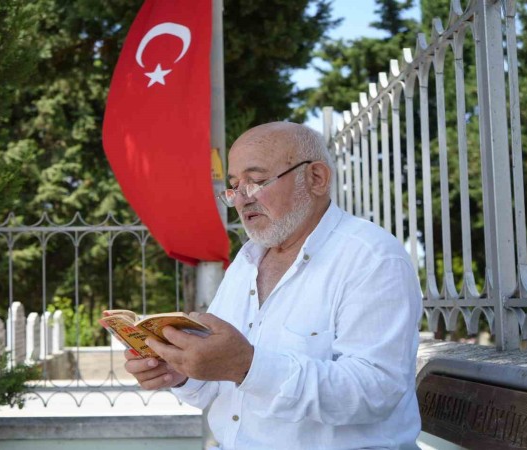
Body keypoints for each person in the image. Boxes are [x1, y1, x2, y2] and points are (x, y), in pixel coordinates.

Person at [124, 122, 423, 449]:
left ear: (316, 178)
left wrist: (247, 366)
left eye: (256, 181)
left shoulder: (372, 257)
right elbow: (218, 387)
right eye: (234, 186)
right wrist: (179, 371)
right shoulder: (246, 262)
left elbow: (375, 392)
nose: (241, 199)